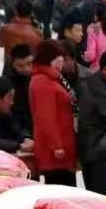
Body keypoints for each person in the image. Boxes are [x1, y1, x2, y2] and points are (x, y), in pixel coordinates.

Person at [28, 40, 77, 186]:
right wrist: (56, 145)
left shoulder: (52, 78)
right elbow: (46, 117)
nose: (63, 60)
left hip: (62, 145)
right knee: (61, 187)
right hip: (55, 150)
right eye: (60, 57)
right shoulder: (42, 81)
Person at [5, 43, 36, 135]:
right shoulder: (7, 84)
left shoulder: (39, 79)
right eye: (20, 65)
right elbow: (7, 115)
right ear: (13, 64)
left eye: (29, 64)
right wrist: (23, 136)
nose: (26, 69)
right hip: (16, 134)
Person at [84, 4, 106, 69]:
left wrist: (84, 56)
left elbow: (91, 56)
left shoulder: (93, 32)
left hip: (98, 69)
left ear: (96, 16)